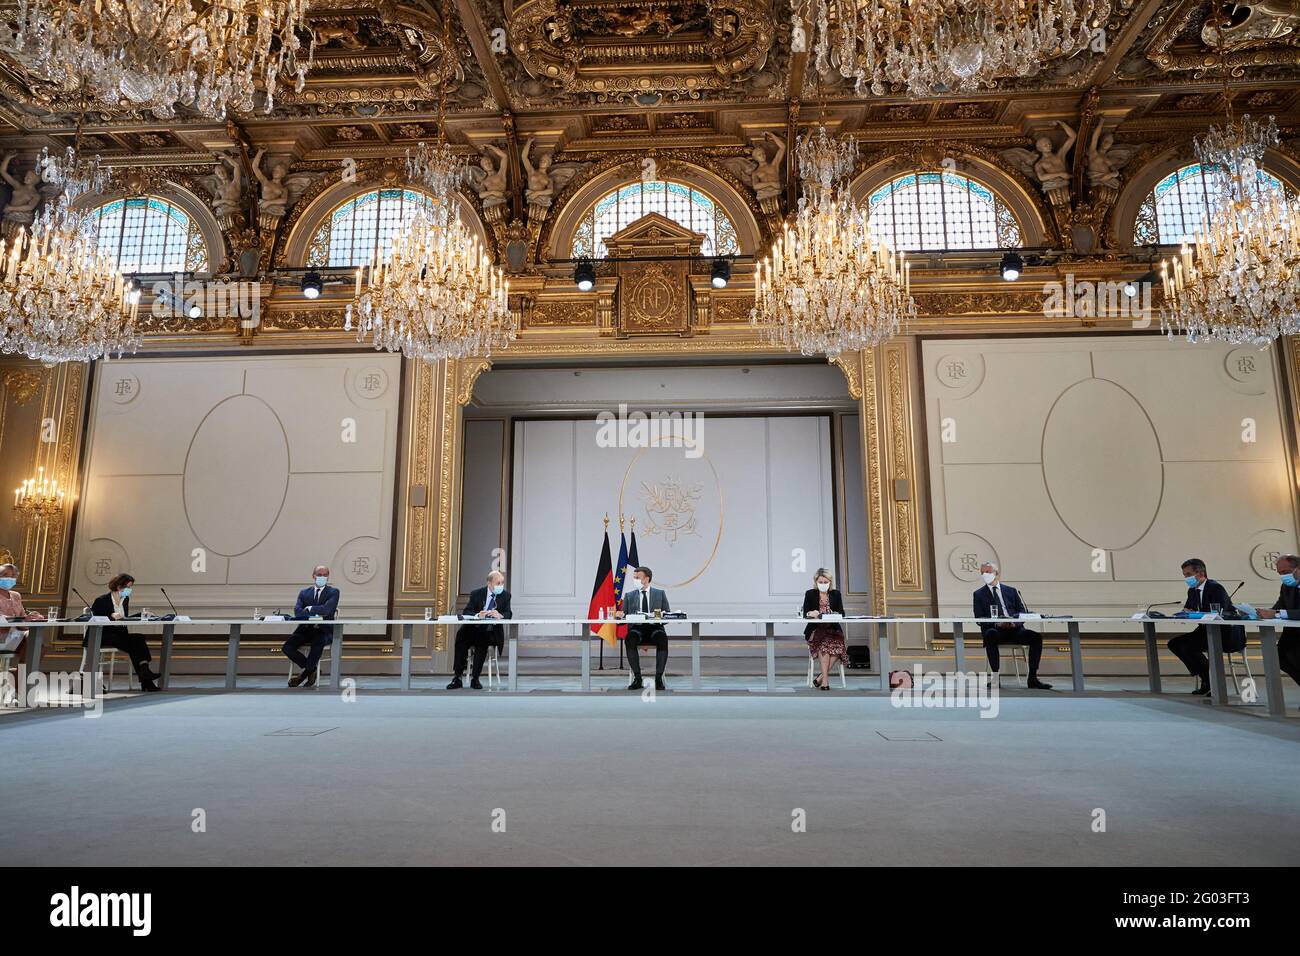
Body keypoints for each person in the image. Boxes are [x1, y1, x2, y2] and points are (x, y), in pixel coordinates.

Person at [1167, 558, 1245, 696]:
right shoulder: (1192, 590)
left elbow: (1219, 612)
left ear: (1200, 573)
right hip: (1206, 631)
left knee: (1188, 646)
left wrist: (1195, 613)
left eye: (1188, 574)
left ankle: (1211, 682)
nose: (1186, 578)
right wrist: (1185, 612)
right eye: (1184, 575)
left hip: (1225, 632)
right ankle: (1207, 679)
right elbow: (1189, 608)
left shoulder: (1215, 588)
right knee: (1175, 643)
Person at [973, 563, 1053, 689]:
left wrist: (1013, 623)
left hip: (1015, 630)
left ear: (996, 573)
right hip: (996, 631)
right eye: (982, 573)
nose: (985, 575)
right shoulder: (978, 594)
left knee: (1036, 637)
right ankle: (995, 678)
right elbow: (979, 619)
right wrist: (997, 623)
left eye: (988, 572)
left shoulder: (1012, 591)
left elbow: (1023, 612)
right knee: (990, 634)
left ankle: (1032, 678)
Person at [89, 574, 161, 692]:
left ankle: (145, 672)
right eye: (128, 587)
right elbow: (96, 619)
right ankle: (146, 679)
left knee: (138, 638)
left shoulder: (125, 599)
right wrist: (111, 616)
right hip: (104, 635)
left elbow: (124, 618)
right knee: (135, 643)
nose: (129, 590)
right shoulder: (101, 600)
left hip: (120, 634)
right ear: (119, 587)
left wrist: (142, 615)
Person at [448, 570, 511, 690]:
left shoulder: (506, 596)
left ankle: (475, 678)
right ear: (489, 583)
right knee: (461, 636)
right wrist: (478, 615)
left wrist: (500, 615)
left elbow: (509, 613)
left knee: (482, 640)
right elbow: (467, 611)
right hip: (474, 629)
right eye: (498, 583)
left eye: (502, 582)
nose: (500, 586)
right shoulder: (476, 594)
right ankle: (457, 677)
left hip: (491, 631)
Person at [283, 565, 340, 688]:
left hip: (323, 630)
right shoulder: (304, 593)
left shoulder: (333, 592)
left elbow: (328, 610)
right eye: (319, 575)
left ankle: (303, 676)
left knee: (318, 642)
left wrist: (309, 608)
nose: (322, 577)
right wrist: (317, 610)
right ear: (313, 576)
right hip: (305, 629)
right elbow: (297, 612)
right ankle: (312, 669)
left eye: (325, 575)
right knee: (287, 647)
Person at [1254, 553, 1300, 694]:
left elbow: (1280, 612)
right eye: (1280, 573)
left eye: (1285, 572)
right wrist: (1259, 612)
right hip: (1293, 632)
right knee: (1278, 657)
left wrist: (1277, 613)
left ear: (1298, 569)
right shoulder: (1286, 586)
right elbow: (1278, 607)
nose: (1283, 576)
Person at [618, 566, 670, 690]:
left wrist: (659, 616)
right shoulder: (629, 596)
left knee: (662, 638)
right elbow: (622, 619)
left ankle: (658, 679)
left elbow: (667, 615)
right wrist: (619, 616)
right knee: (629, 638)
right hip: (637, 630)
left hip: (655, 629)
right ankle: (637, 678)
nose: (635, 580)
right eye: (634, 577)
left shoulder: (660, 594)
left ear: (646, 579)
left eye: (638, 577)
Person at [0, 563, 44, 693]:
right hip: (2, 637)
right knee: (34, 643)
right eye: (5, 575)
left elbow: (23, 622)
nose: (9, 578)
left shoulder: (16, 595)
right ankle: (19, 684)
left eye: (13, 576)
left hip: (16, 636)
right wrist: (22, 620)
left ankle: (17, 681)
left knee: (36, 641)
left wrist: (32, 618)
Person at [803, 568, 848, 690]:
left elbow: (842, 613)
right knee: (825, 645)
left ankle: (820, 677)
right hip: (816, 630)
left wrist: (834, 614)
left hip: (833, 629)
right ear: (816, 582)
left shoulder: (836, 594)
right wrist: (810, 613)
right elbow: (805, 613)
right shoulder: (810, 593)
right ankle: (825, 682)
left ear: (830, 582)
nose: (823, 584)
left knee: (839, 648)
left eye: (825, 582)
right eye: (821, 582)